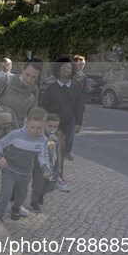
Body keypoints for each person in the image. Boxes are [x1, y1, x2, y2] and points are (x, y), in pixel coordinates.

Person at [0, 58, 43, 216]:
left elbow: (32, 114)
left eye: (34, 77)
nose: (30, 79)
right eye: (27, 75)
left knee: (17, 166)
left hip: (18, 132)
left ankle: (15, 201)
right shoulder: (5, 81)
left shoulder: (34, 90)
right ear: (22, 69)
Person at [0, 107, 50, 221]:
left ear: (44, 125)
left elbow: (43, 156)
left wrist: (45, 168)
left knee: (21, 196)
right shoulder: (16, 134)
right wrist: (0, 156)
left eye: (39, 128)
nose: (35, 130)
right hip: (9, 169)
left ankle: (15, 208)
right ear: (27, 122)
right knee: (6, 193)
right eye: (32, 127)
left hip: (25, 173)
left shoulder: (43, 139)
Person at [40, 57, 85, 192]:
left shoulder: (75, 87)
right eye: (63, 68)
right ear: (58, 70)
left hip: (69, 123)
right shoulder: (52, 88)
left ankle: (53, 174)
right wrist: (44, 124)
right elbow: (44, 106)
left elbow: (79, 105)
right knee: (60, 149)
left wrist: (78, 122)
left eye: (69, 68)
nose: (66, 70)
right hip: (54, 125)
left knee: (58, 151)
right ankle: (58, 177)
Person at [29, 113, 61, 213]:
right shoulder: (39, 136)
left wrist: (58, 166)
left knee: (50, 186)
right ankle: (34, 202)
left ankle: (41, 195)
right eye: (50, 126)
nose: (53, 129)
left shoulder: (55, 139)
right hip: (40, 166)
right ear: (44, 124)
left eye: (55, 127)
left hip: (51, 166)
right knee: (38, 185)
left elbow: (57, 154)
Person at [67, 54, 87, 160]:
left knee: (71, 132)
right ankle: (53, 151)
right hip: (63, 107)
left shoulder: (84, 77)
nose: (81, 66)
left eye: (83, 64)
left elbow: (83, 96)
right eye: (79, 64)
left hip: (74, 109)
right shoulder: (68, 74)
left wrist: (81, 110)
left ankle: (67, 152)